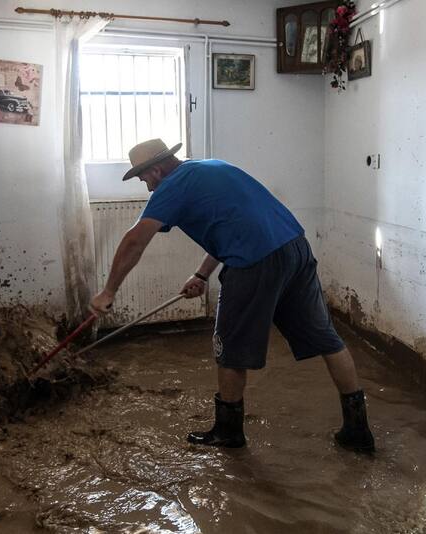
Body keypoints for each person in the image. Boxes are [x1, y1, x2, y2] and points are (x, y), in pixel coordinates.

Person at [89, 138, 375, 453]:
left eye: (143, 177)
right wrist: (202, 274)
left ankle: (228, 431)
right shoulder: (212, 167)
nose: (146, 185)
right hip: (295, 248)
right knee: (326, 338)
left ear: (155, 170)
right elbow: (233, 226)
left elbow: (135, 240)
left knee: (228, 346)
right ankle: (358, 429)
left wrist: (108, 291)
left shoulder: (172, 186)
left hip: (255, 261)